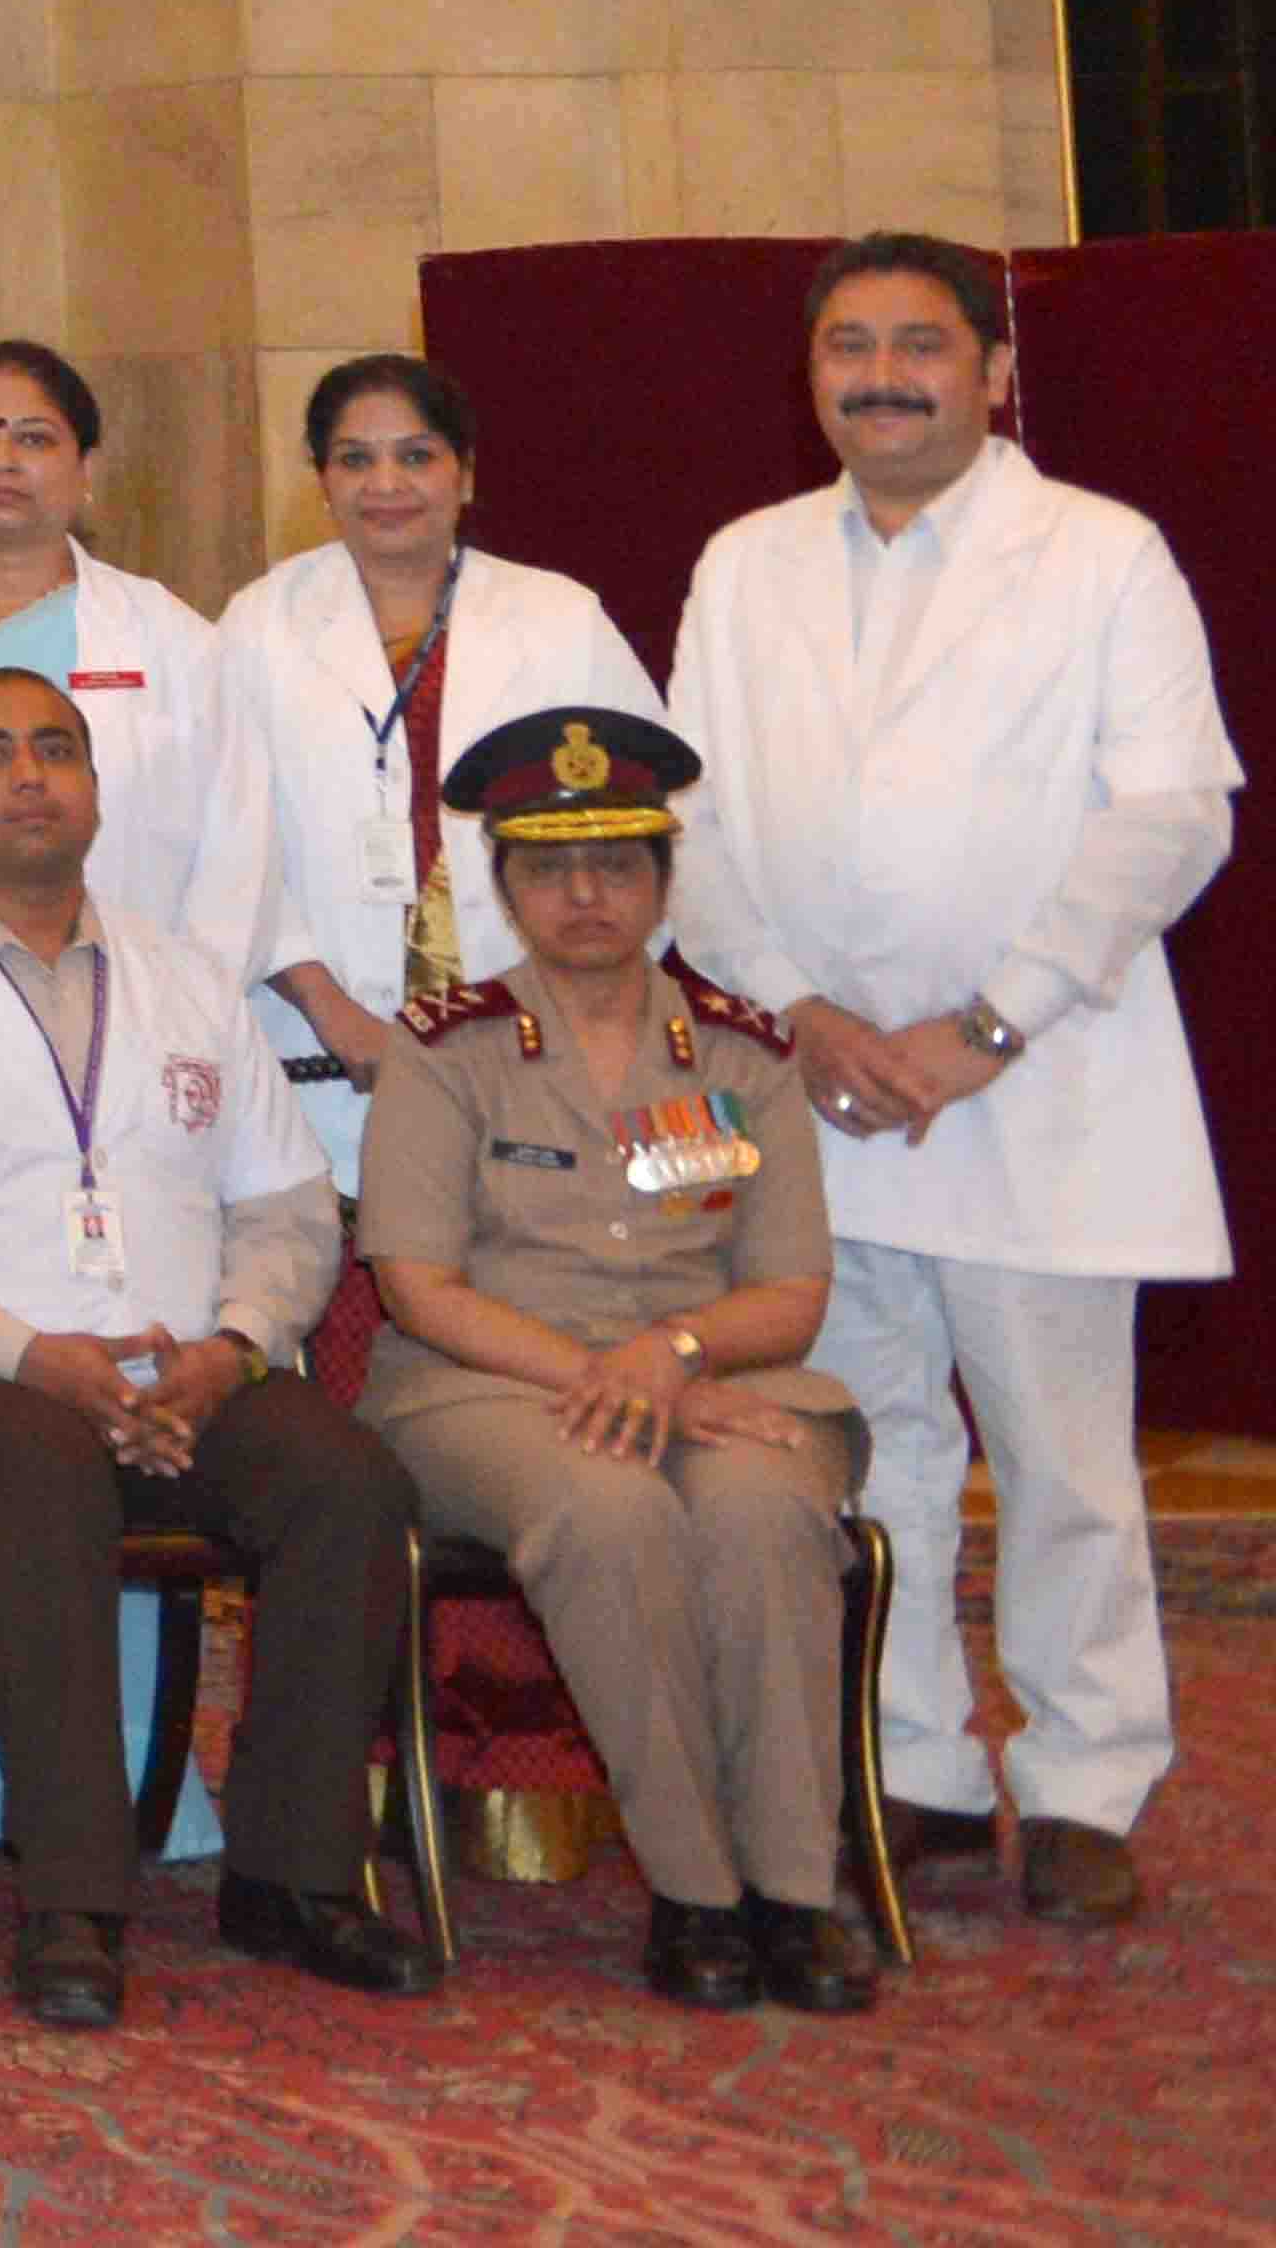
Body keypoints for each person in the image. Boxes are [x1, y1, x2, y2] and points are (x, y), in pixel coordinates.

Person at [663, 232, 1235, 1932]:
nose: (885, 373)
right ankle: (910, 1761)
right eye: (850, 344)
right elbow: (686, 821)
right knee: (873, 1445)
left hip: (1038, 1082)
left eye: (924, 343)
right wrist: (802, 1009)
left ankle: (1083, 1776)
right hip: (822, 1090)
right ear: (811, 373)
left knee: (1064, 1459)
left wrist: (989, 1023)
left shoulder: (1099, 552)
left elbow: (1171, 809)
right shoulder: (745, 560)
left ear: (994, 372)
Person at [0, 669, 422, 2032]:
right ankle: (74, 1897)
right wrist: (32, 1356)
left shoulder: (187, 981)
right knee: (40, 1479)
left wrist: (238, 1344)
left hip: (186, 1367)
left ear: (93, 785)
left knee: (349, 1481)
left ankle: (294, 1872)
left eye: (56, 750)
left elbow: (288, 1206)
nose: (29, 777)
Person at [360, 704, 881, 2013]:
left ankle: (795, 1894)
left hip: (720, 1376)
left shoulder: (748, 1056)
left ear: (662, 878)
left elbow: (794, 1291)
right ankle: (699, 1892)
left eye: (617, 864)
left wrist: (669, 1354)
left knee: (767, 1515)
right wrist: (616, 1380)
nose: (584, 893)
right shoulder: (445, 1051)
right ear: (506, 884)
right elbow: (416, 1287)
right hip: (486, 1388)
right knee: (607, 1509)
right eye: (548, 866)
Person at [211, 354, 659, 1173]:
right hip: (318, 1050)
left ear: (466, 475)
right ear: (321, 481)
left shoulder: (560, 619)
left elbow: (658, 824)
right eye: (355, 459)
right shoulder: (259, 624)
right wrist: (327, 1005)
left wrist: (559, 1002)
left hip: (536, 1033)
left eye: (416, 455)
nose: (387, 483)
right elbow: (227, 844)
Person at [0, 342, 265, 972]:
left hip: (141, 992)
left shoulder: (169, 636)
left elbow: (238, 850)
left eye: (33, 440)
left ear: (86, 469)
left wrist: (187, 1000)